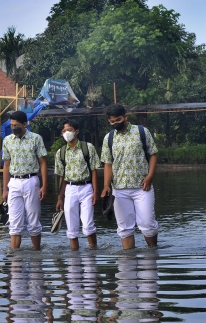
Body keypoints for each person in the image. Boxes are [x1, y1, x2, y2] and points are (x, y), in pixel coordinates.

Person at [100, 104, 159, 250]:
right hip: (119, 190)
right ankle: (128, 264)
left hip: (142, 187)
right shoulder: (109, 138)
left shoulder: (142, 132)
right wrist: (106, 185)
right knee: (125, 228)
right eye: (112, 122)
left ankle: (152, 255)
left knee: (147, 224)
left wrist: (150, 176)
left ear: (125, 117)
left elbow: (153, 154)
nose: (115, 123)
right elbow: (108, 163)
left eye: (118, 119)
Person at [2, 111, 48, 250]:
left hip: (31, 180)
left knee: (33, 221)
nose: (13, 127)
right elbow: (6, 165)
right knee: (14, 223)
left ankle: (36, 252)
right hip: (14, 182)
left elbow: (43, 162)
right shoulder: (7, 140)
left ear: (25, 124)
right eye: (11, 125)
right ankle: (15, 258)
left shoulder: (36, 138)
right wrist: (5, 189)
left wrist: (44, 185)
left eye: (16, 125)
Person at [54, 119, 100, 250]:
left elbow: (94, 171)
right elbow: (61, 177)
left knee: (88, 225)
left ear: (77, 132)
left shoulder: (87, 147)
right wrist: (59, 198)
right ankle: (74, 260)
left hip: (86, 187)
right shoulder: (60, 153)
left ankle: (93, 252)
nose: (66, 133)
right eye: (64, 131)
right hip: (69, 189)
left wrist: (95, 192)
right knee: (71, 226)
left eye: (69, 130)